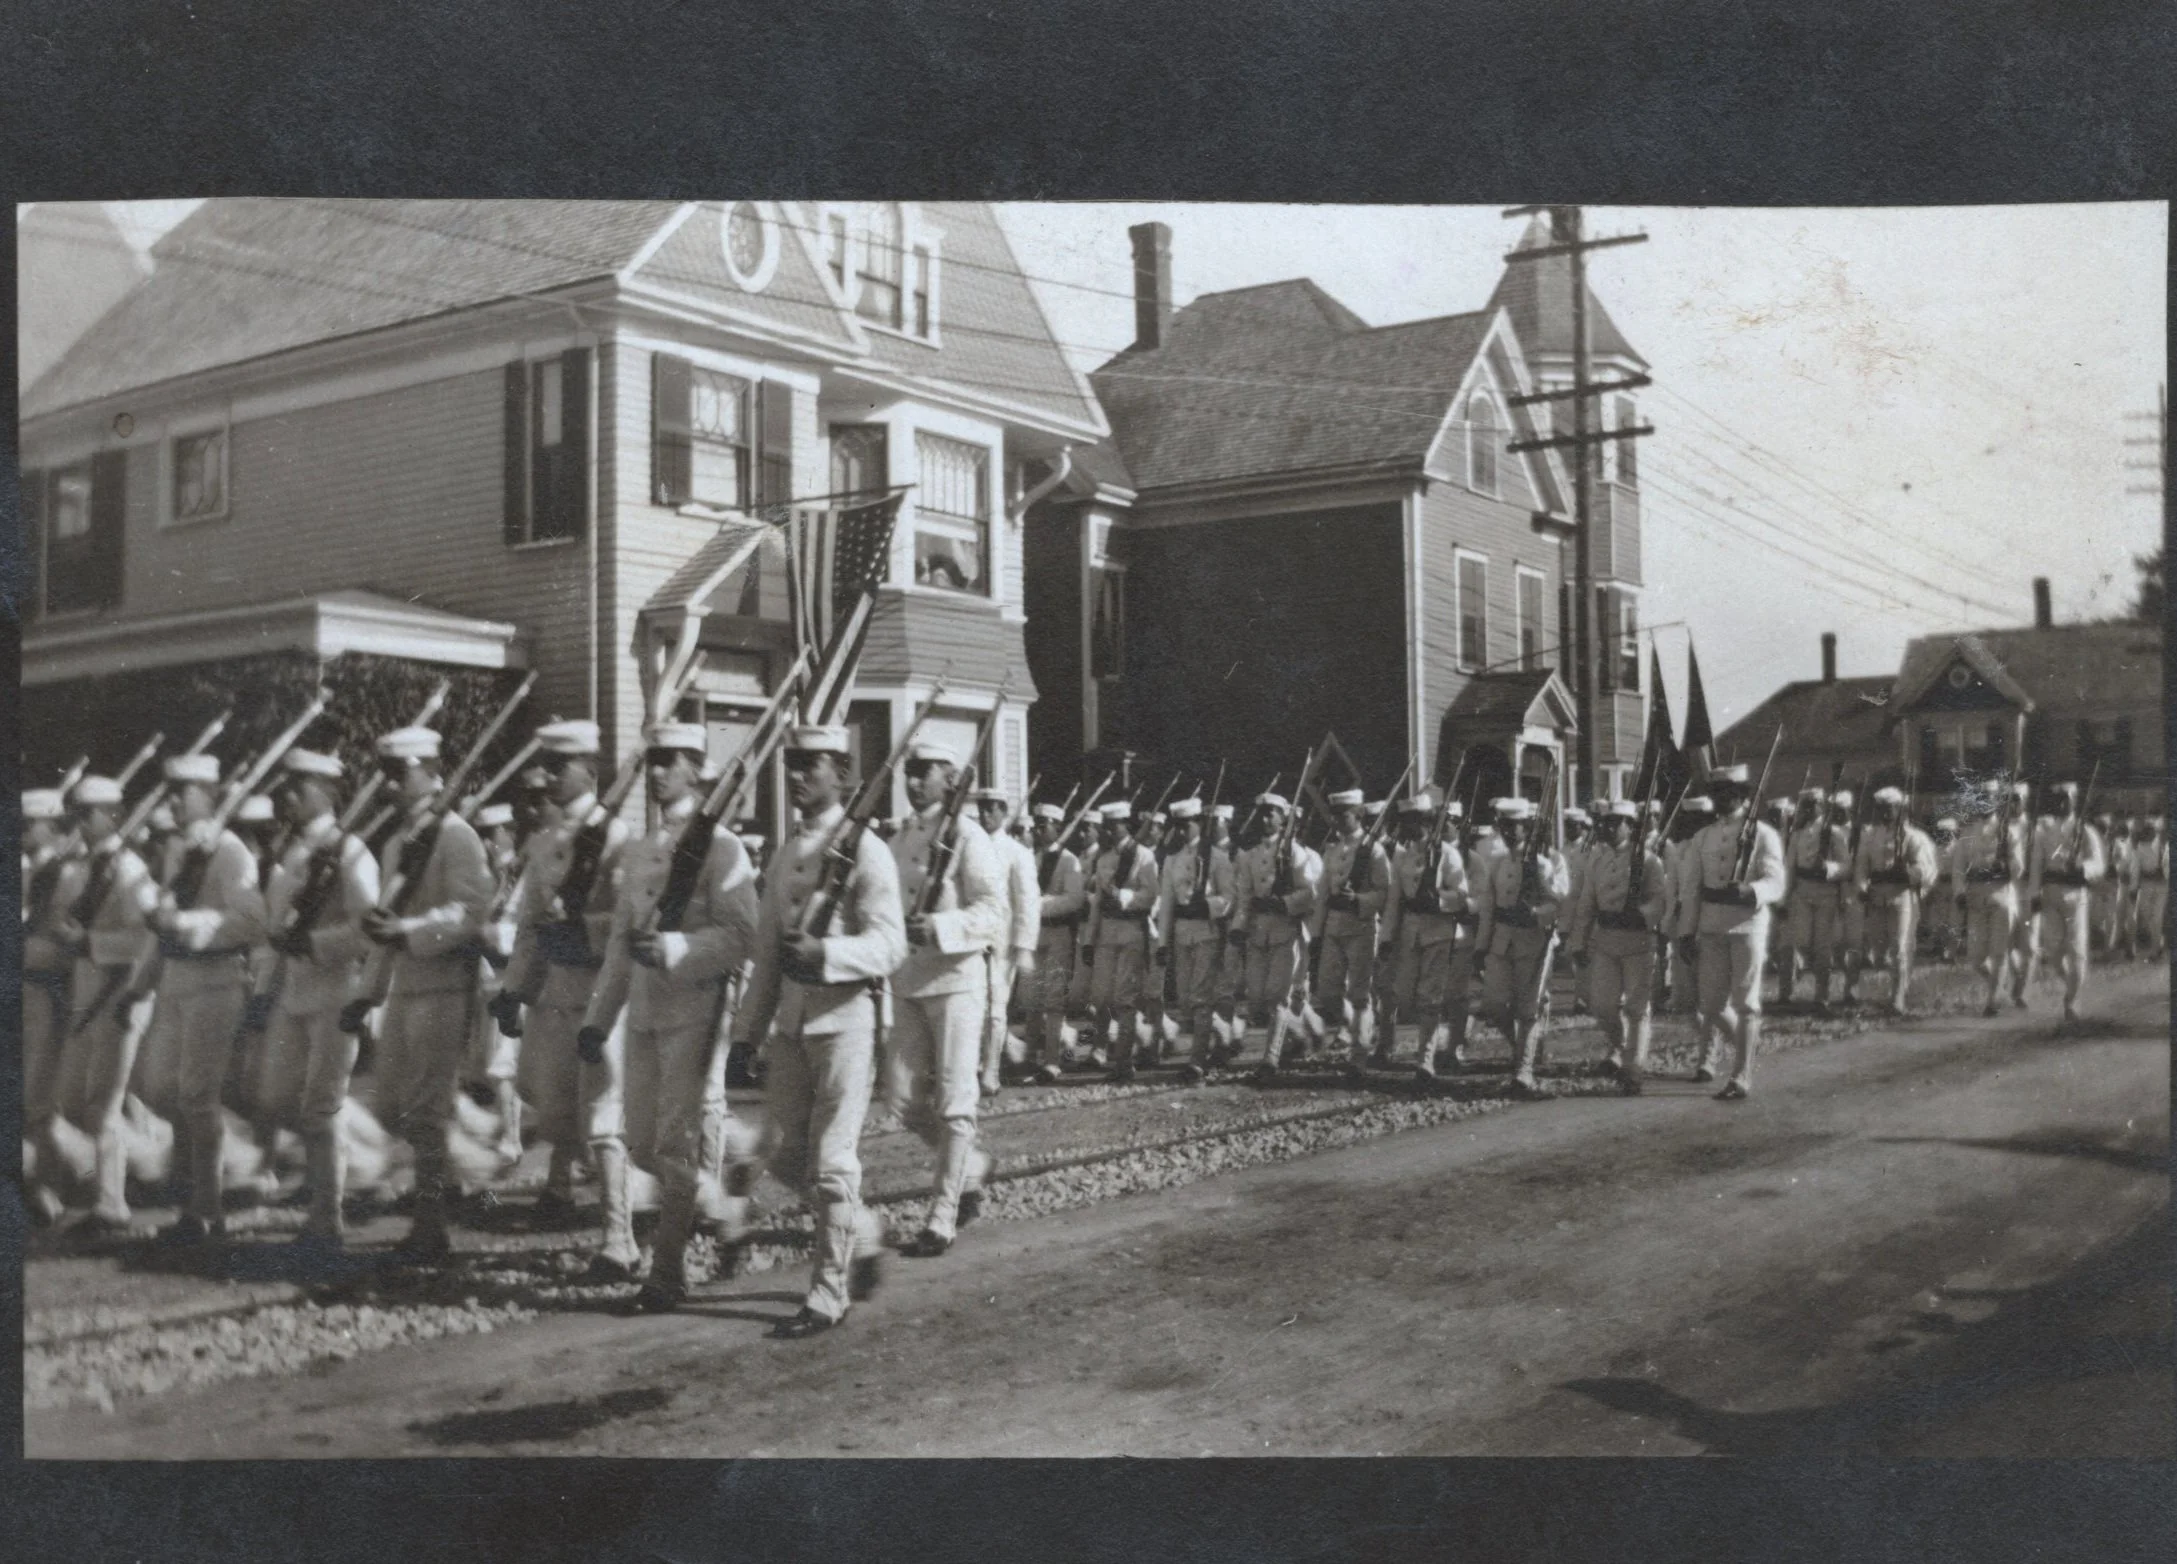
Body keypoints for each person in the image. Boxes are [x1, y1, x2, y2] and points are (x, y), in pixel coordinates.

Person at [728, 724, 908, 1338]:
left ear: (845, 775)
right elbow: (766, 956)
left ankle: (827, 1296)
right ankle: (861, 1233)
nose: (798, 774)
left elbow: (891, 944)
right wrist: (745, 1036)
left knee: (833, 1163)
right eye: (794, 764)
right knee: (787, 1159)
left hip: (846, 1022)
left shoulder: (868, 850)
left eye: (813, 764)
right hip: (792, 1026)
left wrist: (828, 955)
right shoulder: (785, 854)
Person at [579, 721, 759, 1308]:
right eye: (652, 760)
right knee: (638, 1144)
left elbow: (741, 935)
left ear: (697, 768)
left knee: (674, 1143)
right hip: (645, 1008)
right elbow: (619, 946)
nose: (655, 771)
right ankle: (728, 1209)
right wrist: (598, 1018)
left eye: (669, 760)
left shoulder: (722, 846)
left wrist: (681, 949)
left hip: (695, 1005)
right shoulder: (639, 847)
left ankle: (668, 1272)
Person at [495, 720, 638, 1275]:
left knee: (604, 1117)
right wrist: (513, 991)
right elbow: (531, 926)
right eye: (547, 766)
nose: (549, 776)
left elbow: (625, 924)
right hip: (555, 993)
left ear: (591, 772)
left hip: (604, 992)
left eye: (560, 766)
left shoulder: (619, 839)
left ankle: (619, 1240)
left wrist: (582, 930)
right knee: (552, 1106)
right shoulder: (545, 843)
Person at [348, 726, 493, 1261]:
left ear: (432, 773)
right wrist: (367, 992)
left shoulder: (456, 836)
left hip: (444, 985)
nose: (391, 783)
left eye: (401, 772)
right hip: (404, 988)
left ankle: (431, 1226)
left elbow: (470, 911)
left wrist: (410, 931)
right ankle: (468, 1165)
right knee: (390, 1108)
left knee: (426, 1112)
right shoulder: (394, 842)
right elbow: (386, 924)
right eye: (386, 773)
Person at [135, 754, 268, 1245]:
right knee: (156, 1086)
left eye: (182, 791)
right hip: (176, 982)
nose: (172, 799)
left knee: (196, 1094)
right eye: (170, 790)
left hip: (215, 982)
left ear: (209, 794)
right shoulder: (180, 852)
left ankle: (205, 1208)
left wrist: (185, 925)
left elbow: (253, 922)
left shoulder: (231, 852)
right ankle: (227, 1168)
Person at [885, 738, 1006, 1257]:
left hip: (956, 980)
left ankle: (943, 1215)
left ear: (950, 778)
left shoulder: (968, 835)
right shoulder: (899, 838)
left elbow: (994, 911)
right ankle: (972, 1165)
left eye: (924, 772)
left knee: (956, 1102)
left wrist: (939, 926)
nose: (913, 781)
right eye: (908, 772)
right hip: (908, 979)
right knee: (903, 1099)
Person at [258, 748, 381, 1255]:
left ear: (328, 792)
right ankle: (365, 1158)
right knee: (275, 1098)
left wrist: (315, 943)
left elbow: (369, 928)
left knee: (319, 1106)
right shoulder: (289, 851)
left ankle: (326, 1219)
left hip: (337, 991)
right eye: (288, 785)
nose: (289, 794)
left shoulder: (351, 853)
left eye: (301, 785)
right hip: (294, 990)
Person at [45, 775, 163, 1235]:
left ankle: (111, 1203)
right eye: (78, 814)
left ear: (114, 815)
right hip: (85, 990)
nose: (83, 823)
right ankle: (150, 1161)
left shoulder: (131, 870)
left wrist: (89, 941)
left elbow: (147, 936)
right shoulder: (77, 869)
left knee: (103, 1103)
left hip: (122, 991)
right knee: (74, 1101)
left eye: (90, 815)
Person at [1674, 765, 1788, 1100]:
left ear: (1742, 795)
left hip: (1747, 924)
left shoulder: (1764, 834)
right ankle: (1747, 1045)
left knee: (1746, 1001)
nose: (1721, 799)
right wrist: (1685, 932)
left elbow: (1776, 883)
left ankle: (1741, 1075)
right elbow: (1690, 890)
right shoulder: (1703, 837)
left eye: (1728, 792)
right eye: (1717, 793)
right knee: (1710, 1004)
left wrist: (1751, 891)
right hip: (1711, 925)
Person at [1569, 800, 1669, 1094]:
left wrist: (1640, 914)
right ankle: (1623, 1046)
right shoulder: (1597, 860)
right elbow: (1587, 903)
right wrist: (1578, 940)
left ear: (1630, 826)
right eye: (1607, 822)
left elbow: (1659, 899)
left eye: (1617, 822)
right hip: (1606, 939)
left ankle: (1633, 1068)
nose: (1610, 828)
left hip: (1637, 939)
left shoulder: (1649, 860)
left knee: (1637, 1007)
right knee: (1601, 1005)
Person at [1473, 795, 1569, 1099]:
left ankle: (1524, 1072)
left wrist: (1536, 912)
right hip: (1502, 939)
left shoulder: (1545, 861)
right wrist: (1481, 945)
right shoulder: (1498, 862)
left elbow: (1558, 903)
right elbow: (1489, 906)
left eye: (1517, 826)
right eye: (1506, 826)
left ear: (1527, 828)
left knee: (1529, 1008)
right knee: (1493, 1005)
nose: (1511, 832)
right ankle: (1523, 1049)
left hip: (1533, 940)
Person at [22, 788, 80, 1226]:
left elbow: (70, 942)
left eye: (30, 823)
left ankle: (48, 1188)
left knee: (39, 1096)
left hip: (48, 990)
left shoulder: (71, 874)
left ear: (54, 826)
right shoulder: (27, 869)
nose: (22, 830)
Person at [1233, 793, 1322, 1075]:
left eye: (1272, 813)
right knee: (1257, 999)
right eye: (1262, 813)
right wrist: (1238, 926)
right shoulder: (1251, 856)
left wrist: (1283, 903)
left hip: (1285, 929)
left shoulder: (1295, 852)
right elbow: (1244, 895)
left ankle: (1270, 1057)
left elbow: (1310, 893)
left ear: (1284, 819)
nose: (1265, 818)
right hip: (1258, 931)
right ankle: (1307, 1032)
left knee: (1278, 996)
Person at [1391, 795, 1474, 1081]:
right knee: (1403, 996)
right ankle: (1431, 1046)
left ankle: (1425, 1060)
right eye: (1405, 821)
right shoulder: (1402, 855)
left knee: (1430, 997)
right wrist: (1388, 936)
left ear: (1426, 821)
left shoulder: (1447, 854)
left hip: (1439, 931)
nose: (1409, 826)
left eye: (1414, 820)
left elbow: (1462, 896)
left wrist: (1438, 898)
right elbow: (1394, 900)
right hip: (1411, 931)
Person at [1309, 787, 1391, 1067]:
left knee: (1360, 995)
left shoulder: (1374, 850)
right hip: (1333, 926)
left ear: (1358, 815)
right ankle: (1355, 1029)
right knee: (1327, 992)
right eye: (1334, 815)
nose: (1338, 821)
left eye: (1343, 815)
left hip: (1362, 926)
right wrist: (1316, 933)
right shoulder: (1332, 851)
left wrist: (1359, 899)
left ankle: (1359, 1054)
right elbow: (1322, 895)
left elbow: (1384, 893)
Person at [1082, 799, 1162, 1080]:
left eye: (1111, 825)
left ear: (1124, 825)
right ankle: (1143, 1037)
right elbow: (1096, 905)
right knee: (1101, 997)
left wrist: (1123, 896)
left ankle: (1123, 1062)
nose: (1106, 830)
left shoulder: (1143, 856)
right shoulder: (1103, 859)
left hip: (1131, 932)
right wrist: (1089, 941)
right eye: (1104, 825)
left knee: (1125, 999)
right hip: (1106, 931)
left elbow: (1150, 895)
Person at [1155, 795, 1231, 1082]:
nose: (1182, 830)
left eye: (1187, 824)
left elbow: (1229, 898)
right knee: (1186, 1000)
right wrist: (1162, 943)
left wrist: (1209, 906)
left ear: (1199, 823)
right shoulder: (1172, 861)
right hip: (1181, 934)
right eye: (1178, 825)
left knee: (1200, 997)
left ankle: (1197, 1060)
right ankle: (1222, 1031)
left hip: (1206, 932)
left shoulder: (1217, 858)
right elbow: (1166, 905)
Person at [972, 788, 1041, 1097]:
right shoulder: (969, 845)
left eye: (992, 809)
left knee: (996, 1010)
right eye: (982, 808)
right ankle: (973, 1066)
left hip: (1001, 943)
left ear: (1003, 812)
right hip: (971, 939)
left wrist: (1024, 945)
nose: (986, 814)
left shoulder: (1016, 852)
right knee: (972, 1007)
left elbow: (1027, 901)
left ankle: (991, 1072)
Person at [1849, 787, 1939, 1016]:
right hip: (1877, 894)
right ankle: (1895, 987)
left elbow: (1927, 868)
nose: (1885, 813)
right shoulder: (1870, 835)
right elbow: (1861, 865)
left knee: (1901, 946)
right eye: (1881, 808)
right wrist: (1862, 888)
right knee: (1879, 950)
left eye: (1890, 808)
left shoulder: (1913, 836)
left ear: (1900, 809)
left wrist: (1908, 872)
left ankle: (1897, 996)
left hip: (1902, 895)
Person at [2028, 782, 2107, 1023]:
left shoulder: (2086, 831)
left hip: (2075, 894)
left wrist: (2081, 867)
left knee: (2076, 950)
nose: (2063, 803)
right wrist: (2034, 894)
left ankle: (2072, 999)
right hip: (2051, 893)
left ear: (2075, 801)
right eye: (2059, 798)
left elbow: (2099, 865)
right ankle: (2070, 985)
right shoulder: (2044, 831)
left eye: (2068, 798)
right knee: (2052, 952)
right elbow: (2036, 865)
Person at [1954, 780, 2030, 1017]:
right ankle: (2001, 987)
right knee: (1976, 957)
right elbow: (1958, 867)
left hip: (2001, 894)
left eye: (1990, 797)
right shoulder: (1966, 833)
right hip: (1976, 895)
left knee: (1999, 951)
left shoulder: (2009, 832)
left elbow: (2019, 868)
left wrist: (2004, 862)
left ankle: (1993, 999)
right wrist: (1959, 892)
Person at [1024, 802, 1086, 1082]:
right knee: (1031, 999)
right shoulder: (1031, 858)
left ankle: (1051, 1060)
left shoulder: (1068, 860)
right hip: (1034, 934)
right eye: (1036, 825)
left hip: (1058, 933)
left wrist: (1040, 905)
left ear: (1057, 827)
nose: (1039, 831)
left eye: (1044, 825)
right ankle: (1029, 1057)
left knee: (1053, 998)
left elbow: (1074, 899)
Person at [1782, 786, 1850, 1007]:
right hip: (1802, 890)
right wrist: (1784, 897)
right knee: (1797, 941)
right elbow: (1789, 867)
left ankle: (1822, 995)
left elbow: (1846, 866)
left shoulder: (1834, 833)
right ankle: (1788, 991)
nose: (1810, 809)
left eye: (1814, 804)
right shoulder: (1797, 834)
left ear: (1822, 806)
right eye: (1806, 805)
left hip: (1825, 892)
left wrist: (1828, 868)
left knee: (1823, 946)